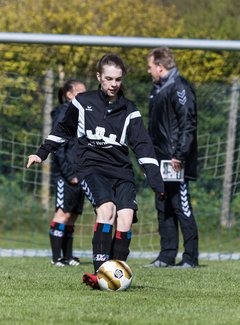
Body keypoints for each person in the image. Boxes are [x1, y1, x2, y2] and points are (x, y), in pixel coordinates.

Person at [26, 53, 165, 288]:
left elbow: (143, 147)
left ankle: (116, 273)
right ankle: (100, 274)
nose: (113, 84)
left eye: (118, 79)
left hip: (121, 171)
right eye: (109, 78)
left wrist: (156, 180)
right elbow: (63, 130)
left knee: (126, 218)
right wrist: (42, 152)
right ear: (99, 77)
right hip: (91, 169)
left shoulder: (129, 110)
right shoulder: (82, 102)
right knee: (107, 210)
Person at [145, 47, 199, 268]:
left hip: (174, 159)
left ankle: (190, 258)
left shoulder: (179, 87)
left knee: (181, 205)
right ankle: (166, 256)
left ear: (160, 66)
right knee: (163, 205)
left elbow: (188, 123)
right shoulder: (158, 89)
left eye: (150, 67)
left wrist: (179, 155)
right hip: (159, 158)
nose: (148, 71)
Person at [49, 79, 86, 266]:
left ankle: (68, 256)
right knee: (62, 214)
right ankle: (56, 259)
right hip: (66, 175)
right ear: (69, 95)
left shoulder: (82, 114)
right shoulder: (63, 113)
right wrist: (69, 173)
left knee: (72, 216)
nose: (84, 95)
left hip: (80, 173)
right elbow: (58, 146)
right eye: (80, 91)